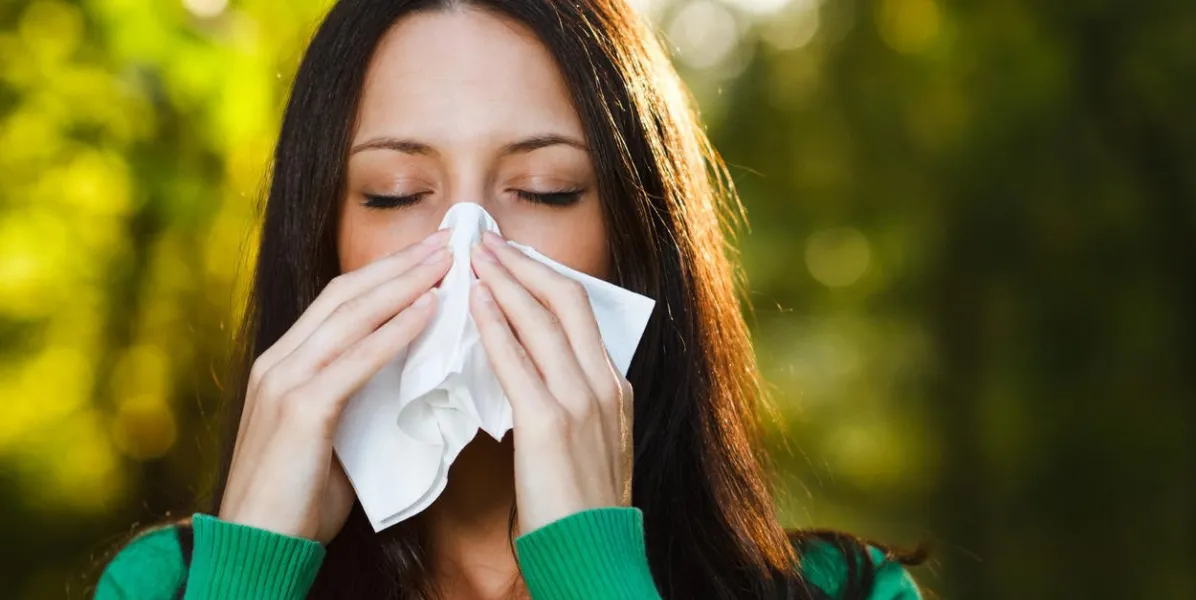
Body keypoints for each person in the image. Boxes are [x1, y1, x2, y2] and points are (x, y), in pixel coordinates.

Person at [94, 1, 925, 598]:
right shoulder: (167, 586)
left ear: (634, 237)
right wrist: (250, 573)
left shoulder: (845, 592)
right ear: (322, 243)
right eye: (393, 192)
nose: (470, 241)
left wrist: (595, 573)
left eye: (545, 188)